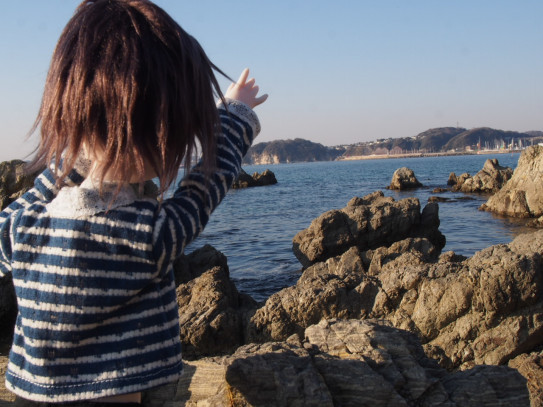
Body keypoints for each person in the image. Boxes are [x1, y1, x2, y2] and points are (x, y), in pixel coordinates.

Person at [0, 0, 267, 405]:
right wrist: (232, 117)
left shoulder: (24, 227)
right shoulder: (148, 234)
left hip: (30, 396)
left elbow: (33, 198)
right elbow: (203, 188)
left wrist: (76, 156)